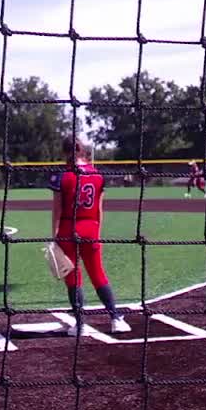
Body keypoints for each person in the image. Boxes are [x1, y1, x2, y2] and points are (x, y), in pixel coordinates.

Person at [50, 136, 131, 336]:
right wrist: (97, 233)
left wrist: (54, 238)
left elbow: (57, 210)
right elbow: (99, 210)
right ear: (82, 150)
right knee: (98, 274)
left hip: (68, 229)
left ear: (65, 152)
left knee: (73, 277)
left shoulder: (62, 176)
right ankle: (116, 319)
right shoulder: (98, 175)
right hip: (91, 228)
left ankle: (80, 325)